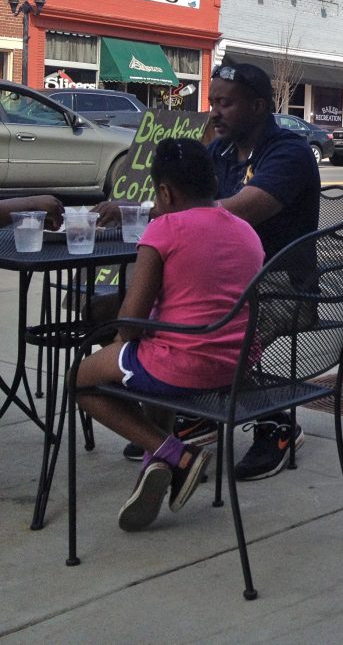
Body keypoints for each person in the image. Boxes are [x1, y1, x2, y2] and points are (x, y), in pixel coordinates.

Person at [101, 61, 320, 480]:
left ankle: (276, 425)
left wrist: (151, 211)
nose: (214, 112)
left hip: (281, 286)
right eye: (212, 102)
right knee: (119, 307)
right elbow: (190, 206)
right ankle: (185, 414)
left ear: (258, 106)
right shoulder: (218, 151)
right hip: (226, 281)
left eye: (225, 103)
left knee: (195, 319)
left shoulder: (287, 152)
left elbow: (240, 210)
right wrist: (140, 209)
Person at [75, 138, 264, 531]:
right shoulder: (246, 231)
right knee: (150, 357)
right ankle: (156, 462)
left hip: (184, 366)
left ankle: (175, 453)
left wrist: (111, 339)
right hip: (238, 366)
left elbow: (130, 324)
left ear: (165, 192)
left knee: (81, 380)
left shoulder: (164, 229)